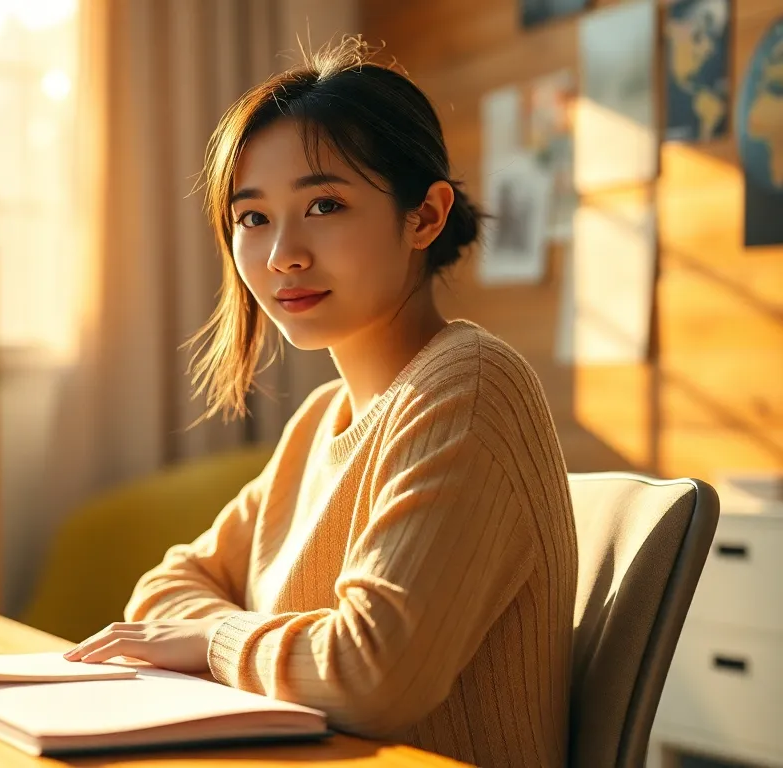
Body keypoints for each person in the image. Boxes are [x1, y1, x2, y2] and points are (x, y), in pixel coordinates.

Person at [63, 39, 579, 768]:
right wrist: (251, 638)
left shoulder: (468, 387)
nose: (282, 256)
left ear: (424, 217)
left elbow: (372, 677)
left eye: (325, 204)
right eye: (253, 218)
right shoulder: (322, 420)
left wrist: (213, 638)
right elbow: (164, 591)